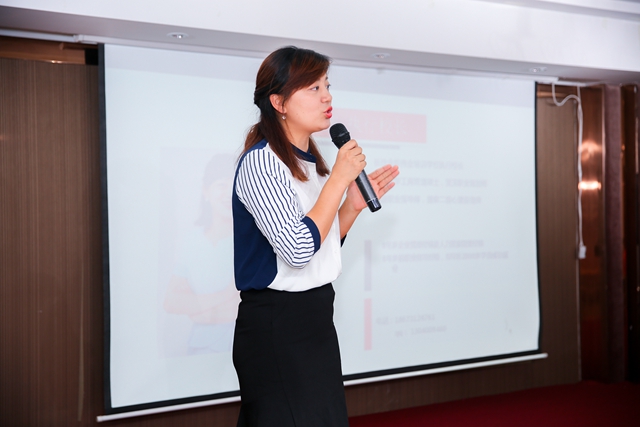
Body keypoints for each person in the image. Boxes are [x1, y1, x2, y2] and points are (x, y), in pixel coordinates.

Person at [232, 46, 399, 427]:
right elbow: (296, 249)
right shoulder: (262, 162)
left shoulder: (311, 162)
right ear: (278, 102)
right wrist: (338, 180)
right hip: (277, 326)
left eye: (327, 85)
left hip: (316, 319)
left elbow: (318, 247)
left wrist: (350, 206)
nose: (327, 97)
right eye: (313, 88)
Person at [163, 153, 240, 355]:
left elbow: (239, 308)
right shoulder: (192, 240)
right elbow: (171, 301)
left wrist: (197, 307)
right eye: (221, 185)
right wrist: (224, 296)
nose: (228, 193)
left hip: (241, 345)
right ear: (206, 191)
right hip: (198, 349)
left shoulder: (248, 237)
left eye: (233, 185)